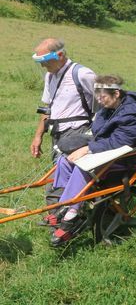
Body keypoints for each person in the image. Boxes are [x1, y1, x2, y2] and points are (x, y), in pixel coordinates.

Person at [47, 75, 136, 245]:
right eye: (98, 98)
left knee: (83, 168)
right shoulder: (109, 107)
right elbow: (98, 131)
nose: (100, 102)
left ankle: (71, 213)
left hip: (126, 157)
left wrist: (88, 149)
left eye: (103, 97)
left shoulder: (133, 113)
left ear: (116, 93)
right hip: (107, 152)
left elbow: (120, 141)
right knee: (64, 161)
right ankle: (65, 205)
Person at [30, 38, 96, 205]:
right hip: (57, 132)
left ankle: (61, 215)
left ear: (60, 55)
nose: (43, 66)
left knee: (62, 174)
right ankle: (61, 212)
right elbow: (48, 108)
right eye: (40, 62)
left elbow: (105, 103)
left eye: (45, 61)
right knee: (58, 171)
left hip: (78, 131)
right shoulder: (49, 76)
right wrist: (38, 136)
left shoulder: (83, 74)